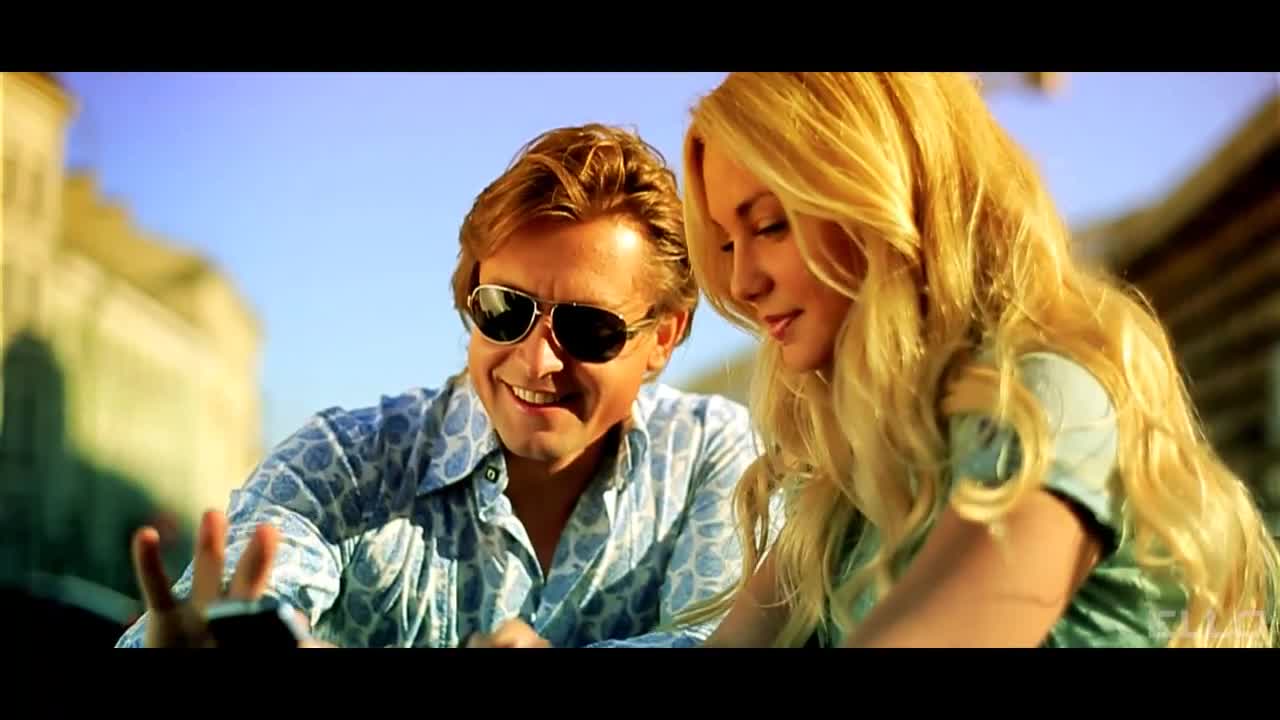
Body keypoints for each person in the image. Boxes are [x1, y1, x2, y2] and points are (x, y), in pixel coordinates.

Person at [673, 72, 1280, 648]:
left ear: (884, 195)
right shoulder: (846, 478)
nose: (741, 281)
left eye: (770, 226)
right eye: (725, 242)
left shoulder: (1043, 401)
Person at [115, 123, 758, 648]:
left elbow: (721, 639)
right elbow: (230, 607)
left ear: (664, 336)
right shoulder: (344, 464)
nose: (537, 361)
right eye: (505, 310)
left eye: (588, 329)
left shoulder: (710, 457)